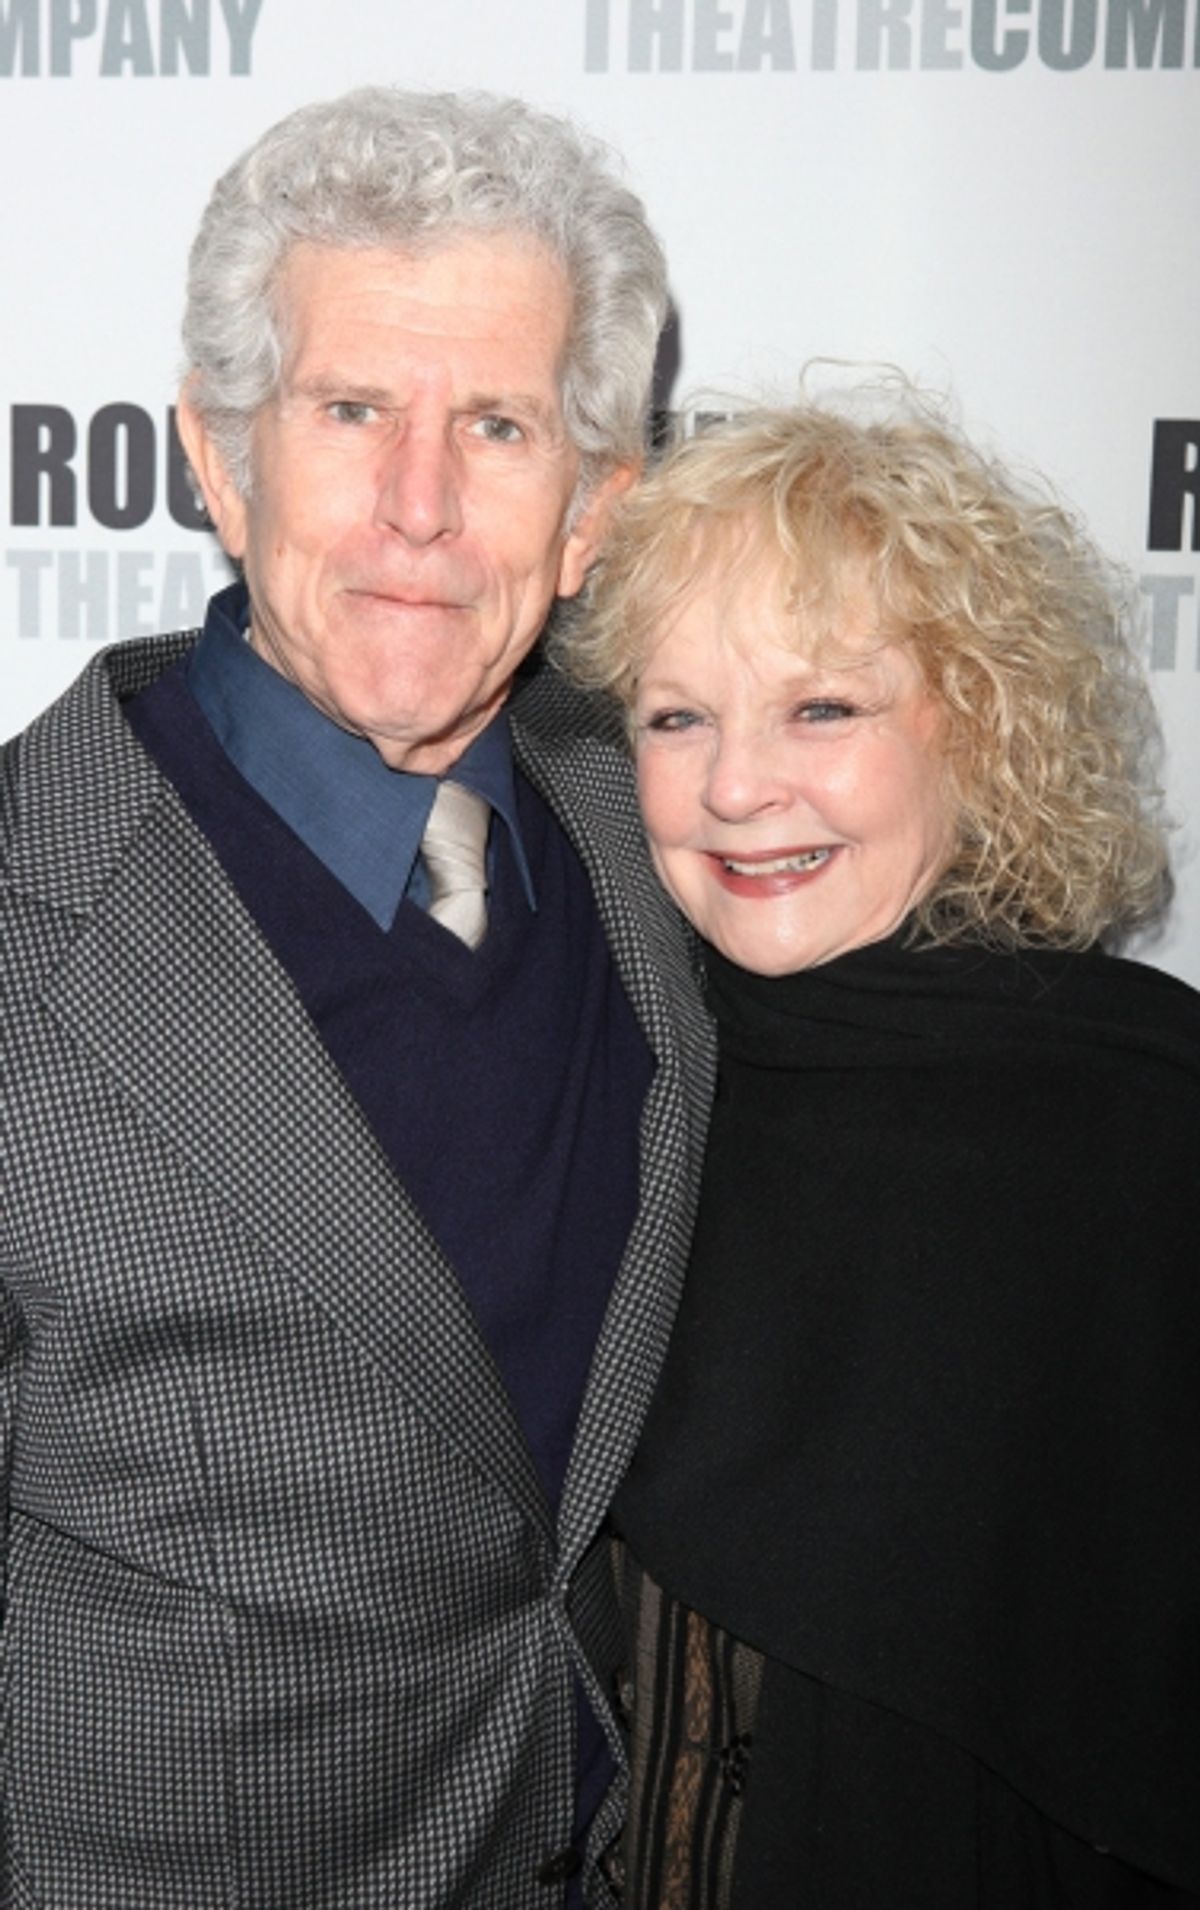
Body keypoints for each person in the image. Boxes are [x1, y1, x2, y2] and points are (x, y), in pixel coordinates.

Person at [0, 89, 716, 1908]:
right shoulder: (29, 913)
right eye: (348, 413)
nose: (418, 506)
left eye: (494, 425)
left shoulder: (672, 836)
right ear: (221, 459)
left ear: (591, 514)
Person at [561, 387, 1200, 1907]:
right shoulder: (613, 1077)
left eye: (822, 707)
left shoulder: (1140, 1123)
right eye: (676, 716)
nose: (733, 784)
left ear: (973, 717)